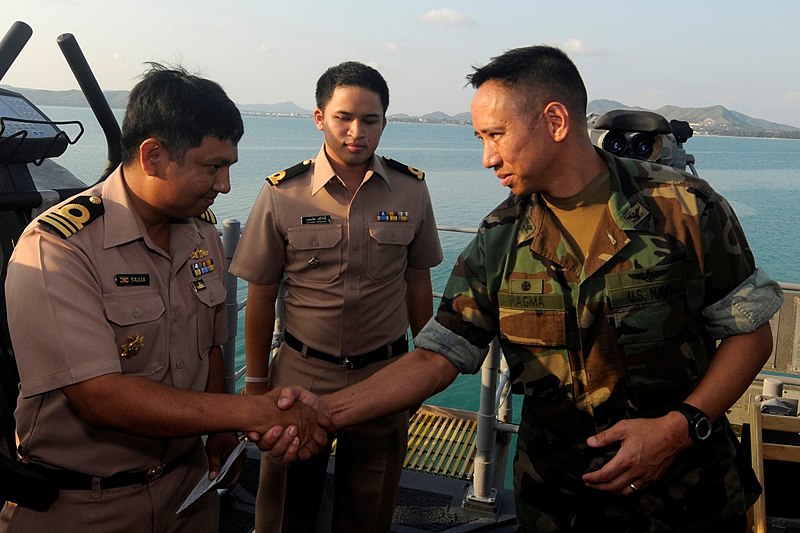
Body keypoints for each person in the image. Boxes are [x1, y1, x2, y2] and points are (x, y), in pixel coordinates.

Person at [271, 45, 785, 532]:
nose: (487, 158)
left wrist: (678, 427)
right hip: (558, 505)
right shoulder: (500, 237)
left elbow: (750, 335)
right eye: (481, 139)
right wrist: (326, 414)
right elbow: (437, 356)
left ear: (556, 122)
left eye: (495, 134)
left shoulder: (685, 207)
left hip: (689, 500)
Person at [2, 64, 329, 533]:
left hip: (189, 492)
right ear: (153, 156)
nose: (225, 185)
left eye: (229, 167)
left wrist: (219, 431)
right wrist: (252, 411)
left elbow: (212, 347)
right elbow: (101, 397)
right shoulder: (59, 246)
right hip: (87, 504)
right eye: (213, 167)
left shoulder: (201, 234)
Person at [229, 61, 442, 532]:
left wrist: (422, 368)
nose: (356, 132)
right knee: (286, 505)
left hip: (383, 373)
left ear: (385, 122)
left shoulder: (412, 188)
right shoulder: (284, 193)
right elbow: (261, 294)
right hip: (301, 373)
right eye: (344, 117)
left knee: (371, 504)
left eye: (370, 120)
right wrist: (257, 384)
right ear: (320, 117)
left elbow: (417, 280)